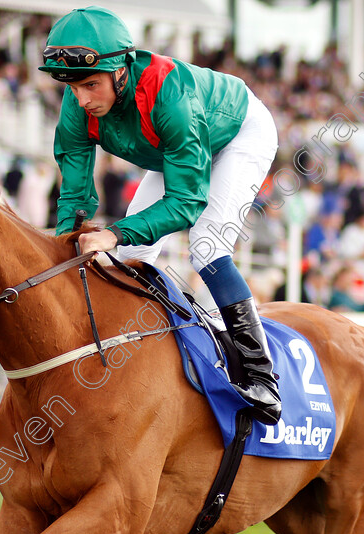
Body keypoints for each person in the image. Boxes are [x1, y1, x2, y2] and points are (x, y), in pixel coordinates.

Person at [39, 7, 280, 424]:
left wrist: (112, 234)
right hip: (173, 147)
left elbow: (187, 203)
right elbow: (76, 196)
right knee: (135, 258)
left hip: (238, 133)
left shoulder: (169, 94)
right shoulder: (78, 102)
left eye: (91, 85)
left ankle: (262, 377)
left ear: (120, 71)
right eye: (73, 88)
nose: (82, 100)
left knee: (206, 246)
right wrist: (65, 248)